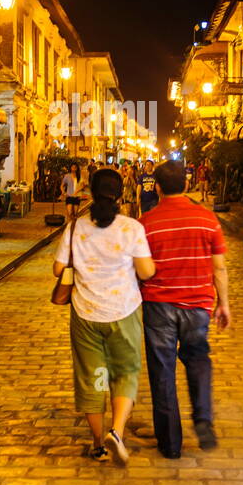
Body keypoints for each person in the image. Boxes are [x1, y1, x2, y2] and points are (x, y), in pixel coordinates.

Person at [52, 168, 155, 466]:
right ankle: (117, 432)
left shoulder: (75, 228)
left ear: (91, 192)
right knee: (124, 372)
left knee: (93, 378)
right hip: (124, 312)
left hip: (85, 314)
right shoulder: (131, 228)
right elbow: (146, 271)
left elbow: (59, 270)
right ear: (121, 194)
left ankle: (98, 445)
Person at [139, 160, 229, 459]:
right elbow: (219, 267)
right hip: (198, 305)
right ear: (187, 184)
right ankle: (203, 417)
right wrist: (224, 303)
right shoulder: (207, 219)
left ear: (159, 187)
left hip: (159, 305)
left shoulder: (146, 223)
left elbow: (140, 269)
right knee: (198, 357)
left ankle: (170, 443)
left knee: (162, 371)